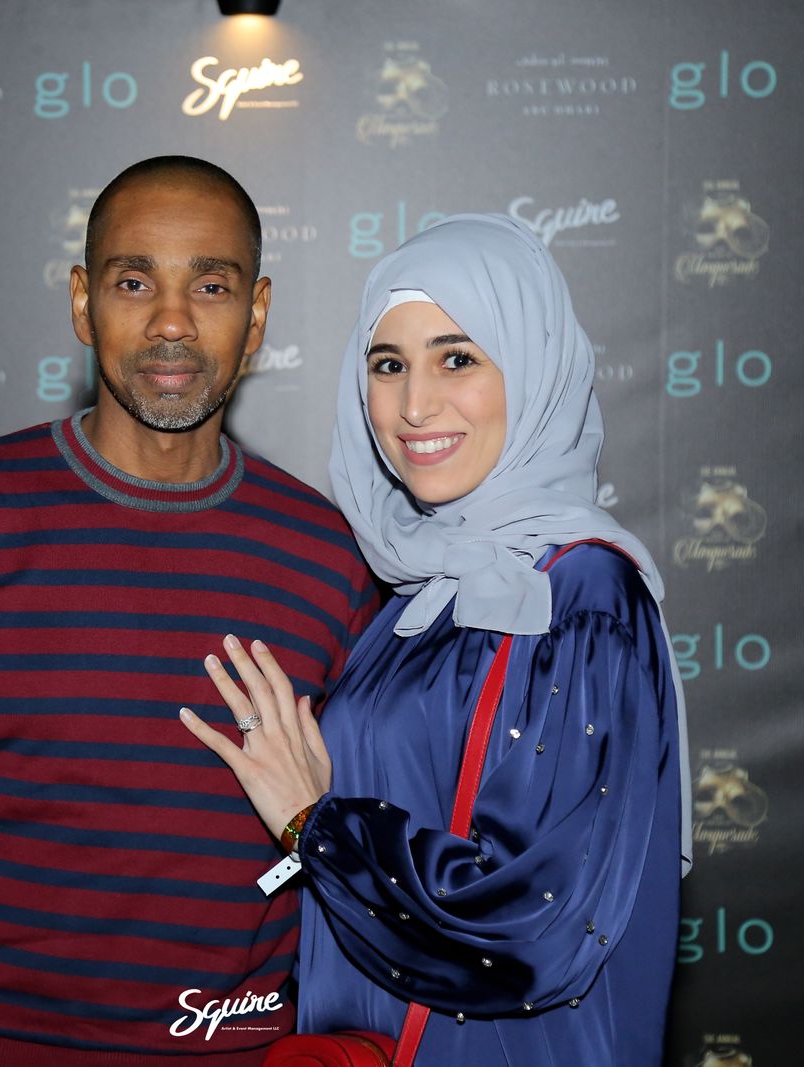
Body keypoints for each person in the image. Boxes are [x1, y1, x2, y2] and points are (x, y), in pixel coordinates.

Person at [0, 156, 378, 1067]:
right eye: (134, 281)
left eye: (210, 286)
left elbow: (358, 853)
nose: (172, 321)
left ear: (257, 316)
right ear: (81, 302)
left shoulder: (329, 559)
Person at [181, 213, 691, 1064]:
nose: (414, 406)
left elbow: (532, 925)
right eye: (388, 365)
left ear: (531, 367)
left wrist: (316, 825)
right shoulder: (412, 594)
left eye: (457, 359)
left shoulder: (579, 597)